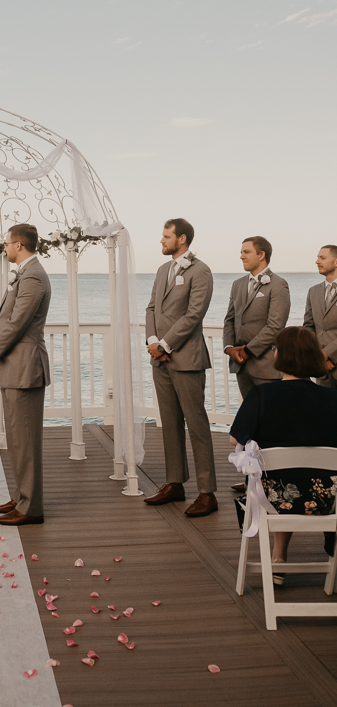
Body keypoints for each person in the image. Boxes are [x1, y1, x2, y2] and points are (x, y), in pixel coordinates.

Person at [230, 326, 337, 583]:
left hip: (275, 499)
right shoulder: (333, 399)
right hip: (328, 499)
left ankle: (278, 559)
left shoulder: (262, 395)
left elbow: (235, 439)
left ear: (280, 357)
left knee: (277, 477)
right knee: (302, 476)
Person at [144, 218, 218, 517]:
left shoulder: (201, 271)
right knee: (169, 423)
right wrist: (152, 341)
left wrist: (166, 344)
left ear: (182, 238)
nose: (161, 241)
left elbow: (194, 313)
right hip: (159, 358)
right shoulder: (163, 270)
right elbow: (151, 308)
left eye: (166, 236)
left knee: (197, 425)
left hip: (186, 358)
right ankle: (175, 483)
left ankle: (207, 492)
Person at [0, 224, 51, 526]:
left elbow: (16, 322)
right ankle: (21, 496)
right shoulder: (25, 273)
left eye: (7, 244)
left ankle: (31, 508)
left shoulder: (34, 276)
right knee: (16, 438)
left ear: (19, 245)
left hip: (25, 367)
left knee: (25, 440)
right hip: (14, 368)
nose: (5, 248)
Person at [223, 236, 291, 399]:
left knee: (271, 416)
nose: (241, 256)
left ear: (261, 255)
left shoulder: (278, 284)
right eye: (241, 252)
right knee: (251, 415)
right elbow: (229, 320)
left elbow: (275, 326)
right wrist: (229, 348)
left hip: (266, 366)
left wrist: (248, 351)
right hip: (241, 365)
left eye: (246, 252)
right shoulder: (237, 284)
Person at [303, 245, 337, 390]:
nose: (317, 261)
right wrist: (318, 355)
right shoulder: (313, 291)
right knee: (326, 411)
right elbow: (308, 326)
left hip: (330, 360)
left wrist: (326, 354)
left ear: (336, 262)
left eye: (322, 258)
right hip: (323, 370)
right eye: (317, 257)